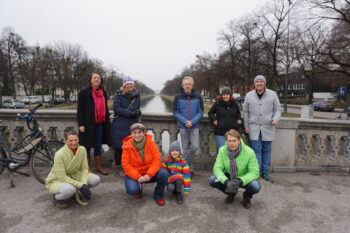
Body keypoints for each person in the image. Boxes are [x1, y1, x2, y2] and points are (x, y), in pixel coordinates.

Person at [45, 130, 100, 209]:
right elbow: (62, 177)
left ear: (78, 139)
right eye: (71, 140)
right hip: (57, 179)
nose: (74, 143)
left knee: (95, 179)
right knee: (69, 190)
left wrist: (84, 184)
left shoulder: (82, 149)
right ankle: (57, 198)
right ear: (65, 141)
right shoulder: (59, 154)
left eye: (75, 140)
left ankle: (75, 192)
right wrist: (80, 185)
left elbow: (85, 168)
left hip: (73, 175)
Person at [208, 129, 260, 209]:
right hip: (229, 177)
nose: (232, 143)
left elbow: (255, 172)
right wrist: (226, 181)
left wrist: (240, 180)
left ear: (239, 140)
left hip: (243, 178)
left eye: (234, 140)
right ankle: (231, 193)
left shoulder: (249, 152)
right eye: (229, 141)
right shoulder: (222, 150)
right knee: (212, 180)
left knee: (255, 186)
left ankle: (247, 196)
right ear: (226, 141)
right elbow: (217, 168)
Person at [243, 75, 281, 181]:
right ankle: (256, 171)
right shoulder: (249, 95)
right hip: (254, 127)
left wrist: (275, 119)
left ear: (264, 83)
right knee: (256, 149)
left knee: (267, 150)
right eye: (257, 82)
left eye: (261, 82)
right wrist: (246, 125)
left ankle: (265, 171)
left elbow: (278, 109)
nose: (259, 83)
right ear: (254, 84)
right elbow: (245, 111)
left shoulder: (272, 94)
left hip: (268, 127)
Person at [122, 123, 168, 206]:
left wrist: (149, 174)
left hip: (149, 173)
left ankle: (158, 196)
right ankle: (138, 188)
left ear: (144, 133)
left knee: (164, 173)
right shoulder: (127, 146)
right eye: (134, 132)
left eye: (139, 132)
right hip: (135, 174)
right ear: (131, 134)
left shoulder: (150, 143)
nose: (137, 135)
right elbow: (126, 165)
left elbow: (157, 160)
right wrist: (138, 177)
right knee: (132, 190)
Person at [77, 72, 112, 175]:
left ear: (101, 80)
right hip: (88, 124)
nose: (97, 79)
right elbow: (80, 110)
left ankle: (98, 166)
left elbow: (105, 108)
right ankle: (87, 168)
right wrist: (81, 124)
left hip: (100, 123)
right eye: (94, 78)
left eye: (98, 78)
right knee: (86, 145)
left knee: (97, 145)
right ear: (90, 80)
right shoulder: (84, 92)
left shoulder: (103, 92)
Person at [173, 76, 203, 177]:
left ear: (192, 85)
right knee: (185, 149)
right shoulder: (177, 97)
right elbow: (175, 112)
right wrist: (185, 121)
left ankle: (181, 165)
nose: (187, 86)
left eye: (189, 84)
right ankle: (189, 168)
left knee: (194, 146)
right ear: (183, 85)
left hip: (194, 126)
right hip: (183, 125)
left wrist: (192, 122)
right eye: (186, 84)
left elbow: (201, 112)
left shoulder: (198, 97)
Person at [112, 76, 141, 176]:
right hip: (120, 123)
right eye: (127, 84)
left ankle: (128, 166)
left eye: (131, 84)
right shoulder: (119, 94)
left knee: (130, 146)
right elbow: (116, 108)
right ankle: (119, 167)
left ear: (134, 85)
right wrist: (130, 113)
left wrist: (137, 112)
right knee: (119, 147)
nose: (129, 86)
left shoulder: (137, 95)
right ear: (124, 85)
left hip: (132, 124)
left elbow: (137, 107)